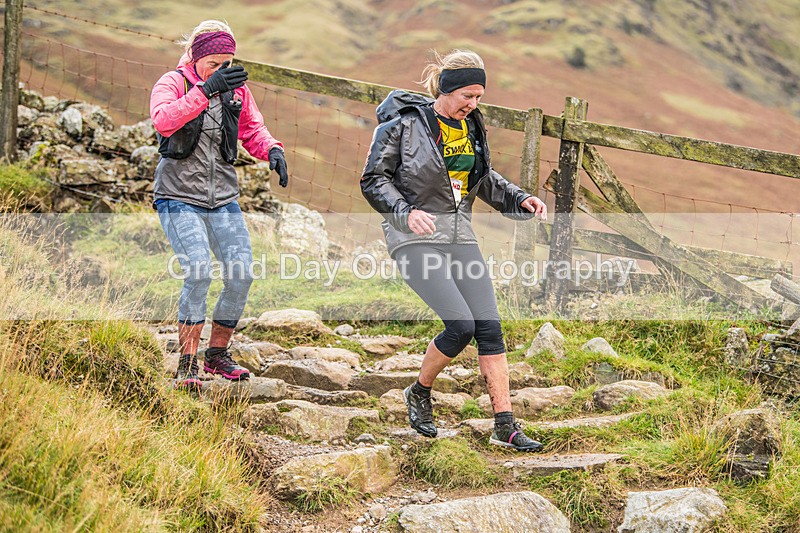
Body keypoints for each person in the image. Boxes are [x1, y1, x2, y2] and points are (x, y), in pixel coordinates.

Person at [361, 50, 548, 451]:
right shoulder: (402, 126)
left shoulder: (472, 128)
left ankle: (505, 424)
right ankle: (419, 391)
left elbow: (483, 179)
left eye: (479, 97)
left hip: (459, 235)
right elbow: (374, 180)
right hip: (413, 238)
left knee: (489, 326)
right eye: (467, 95)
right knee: (460, 325)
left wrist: (520, 198)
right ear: (445, 89)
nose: (473, 104)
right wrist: (405, 212)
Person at [150, 20, 289, 390]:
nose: (222, 69)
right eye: (214, 62)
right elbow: (163, 121)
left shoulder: (236, 88)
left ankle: (216, 356)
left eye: (227, 62)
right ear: (196, 58)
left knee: (241, 273)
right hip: (178, 195)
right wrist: (204, 91)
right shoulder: (173, 82)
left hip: (222, 197)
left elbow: (252, 129)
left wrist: (273, 150)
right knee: (198, 272)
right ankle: (186, 365)